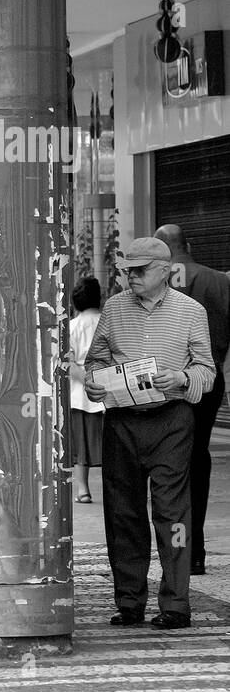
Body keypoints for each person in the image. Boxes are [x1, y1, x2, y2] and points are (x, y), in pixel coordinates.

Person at [84, 238, 216, 630]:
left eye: (139, 271)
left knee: (172, 512)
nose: (130, 278)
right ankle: (129, 602)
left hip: (171, 420)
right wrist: (94, 382)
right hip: (122, 422)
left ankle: (175, 604)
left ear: (164, 270)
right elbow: (97, 359)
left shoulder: (191, 312)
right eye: (127, 270)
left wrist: (180, 377)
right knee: (122, 512)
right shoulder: (113, 307)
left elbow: (207, 371)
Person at [155, 224, 230, 575]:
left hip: (163, 386)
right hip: (209, 382)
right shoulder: (219, 281)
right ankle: (196, 552)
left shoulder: (153, 281)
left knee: (169, 463)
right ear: (190, 244)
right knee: (198, 456)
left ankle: (175, 549)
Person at [66, 277, 104, 503]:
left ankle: (83, 490)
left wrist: (86, 379)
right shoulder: (107, 322)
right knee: (111, 446)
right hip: (107, 391)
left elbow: (68, 362)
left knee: (81, 448)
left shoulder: (72, 326)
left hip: (80, 394)